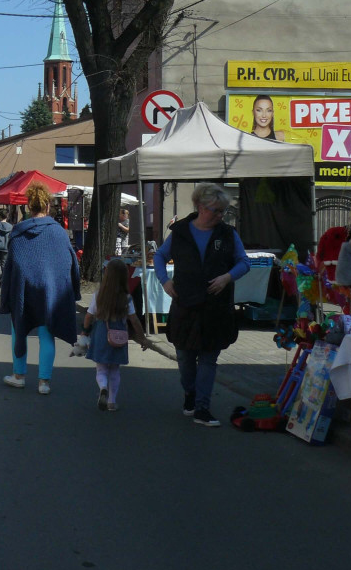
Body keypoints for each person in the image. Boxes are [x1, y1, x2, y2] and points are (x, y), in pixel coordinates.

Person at [152, 183, 250, 427]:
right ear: (199, 206)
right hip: (185, 303)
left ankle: (202, 408)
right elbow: (159, 256)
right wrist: (164, 280)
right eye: (215, 210)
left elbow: (243, 263)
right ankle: (190, 393)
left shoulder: (228, 234)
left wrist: (227, 277)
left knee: (208, 357)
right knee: (184, 356)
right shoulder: (181, 231)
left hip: (216, 306)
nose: (219, 216)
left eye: (223, 211)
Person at [0, 182, 81, 395]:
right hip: (49, 291)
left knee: (19, 331)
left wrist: (7, 294)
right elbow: (70, 262)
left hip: (23, 291)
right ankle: (44, 382)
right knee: (47, 334)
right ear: (47, 206)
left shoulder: (18, 233)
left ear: (28, 206)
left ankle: (19, 376)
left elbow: (12, 265)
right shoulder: (59, 233)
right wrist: (73, 288)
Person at [80, 258, 147, 411]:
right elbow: (134, 319)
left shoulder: (99, 295)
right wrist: (141, 337)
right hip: (119, 336)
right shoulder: (127, 298)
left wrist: (85, 331)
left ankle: (103, 387)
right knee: (115, 369)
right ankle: (112, 401)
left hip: (101, 334)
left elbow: (89, 316)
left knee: (101, 368)